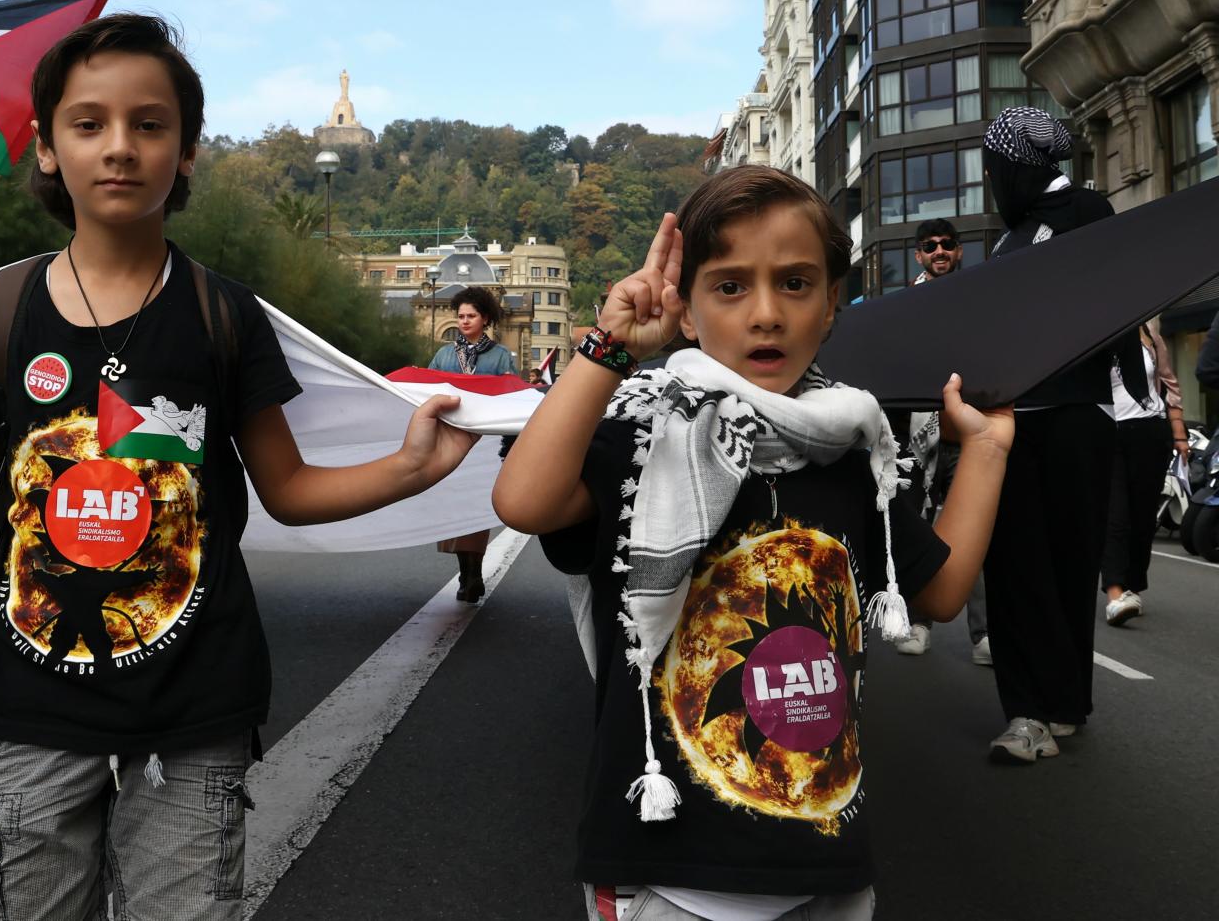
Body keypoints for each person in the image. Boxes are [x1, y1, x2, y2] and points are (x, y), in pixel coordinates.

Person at [0, 14, 478, 920]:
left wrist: (411, 469)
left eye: (150, 123)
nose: (120, 147)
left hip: (193, 708)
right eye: (88, 124)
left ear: (188, 152)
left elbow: (287, 492)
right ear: (48, 149)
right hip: (28, 706)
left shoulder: (224, 315)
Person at [494, 165, 1011, 920]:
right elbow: (525, 499)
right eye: (730, 286)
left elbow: (938, 590)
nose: (765, 313)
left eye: (796, 284)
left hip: (827, 862)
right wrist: (610, 346)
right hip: (665, 871)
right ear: (688, 311)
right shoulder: (640, 437)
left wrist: (989, 452)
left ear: (833, 303)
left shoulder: (853, 448)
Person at [980, 106, 1143, 763]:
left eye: (994, 168)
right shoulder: (1007, 237)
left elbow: (1108, 303)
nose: (991, 181)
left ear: (1017, 165)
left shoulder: (1085, 212)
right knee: (1018, 566)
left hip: (1075, 417)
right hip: (1016, 420)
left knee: (1064, 567)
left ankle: (1060, 705)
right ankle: (1032, 710)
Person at [893, 218, 989, 665]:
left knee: (976, 534)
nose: (939, 252)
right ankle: (918, 622)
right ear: (918, 255)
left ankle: (984, 633)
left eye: (947, 245)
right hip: (918, 442)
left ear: (959, 250)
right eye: (930, 246)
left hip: (968, 436)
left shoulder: (976, 301)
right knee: (920, 534)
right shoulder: (907, 305)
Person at [427, 285, 516, 602]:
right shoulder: (444, 355)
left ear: (485, 318)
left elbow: (511, 398)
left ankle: (473, 574)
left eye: (471, 315)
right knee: (453, 509)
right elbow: (426, 392)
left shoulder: (501, 355)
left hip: (485, 445)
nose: (464, 321)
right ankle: (465, 572)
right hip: (449, 439)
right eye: (460, 316)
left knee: (476, 510)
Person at [1100, 323, 1185, 626]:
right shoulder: (1101, 335)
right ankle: (1113, 593)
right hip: (1110, 433)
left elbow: (1169, 383)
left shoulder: (1150, 336)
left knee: (1143, 518)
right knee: (1116, 516)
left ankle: (1131, 587)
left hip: (1151, 432)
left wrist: (1179, 434)